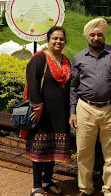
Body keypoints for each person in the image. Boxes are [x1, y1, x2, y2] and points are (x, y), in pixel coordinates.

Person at [69, 18, 111, 196]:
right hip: (85, 108)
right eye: (92, 34)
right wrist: (72, 112)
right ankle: (85, 188)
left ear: (104, 35)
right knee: (84, 151)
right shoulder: (78, 58)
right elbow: (73, 87)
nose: (96, 37)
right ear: (87, 37)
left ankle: (109, 190)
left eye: (99, 34)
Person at [24, 26, 72, 196]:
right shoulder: (40, 59)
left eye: (61, 39)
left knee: (53, 148)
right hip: (42, 113)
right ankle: (36, 186)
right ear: (48, 40)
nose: (58, 41)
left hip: (60, 113)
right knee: (39, 149)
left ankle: (47, 180)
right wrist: (37, 106)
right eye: (55, 38)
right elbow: (32, 82)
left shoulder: (65, 61)